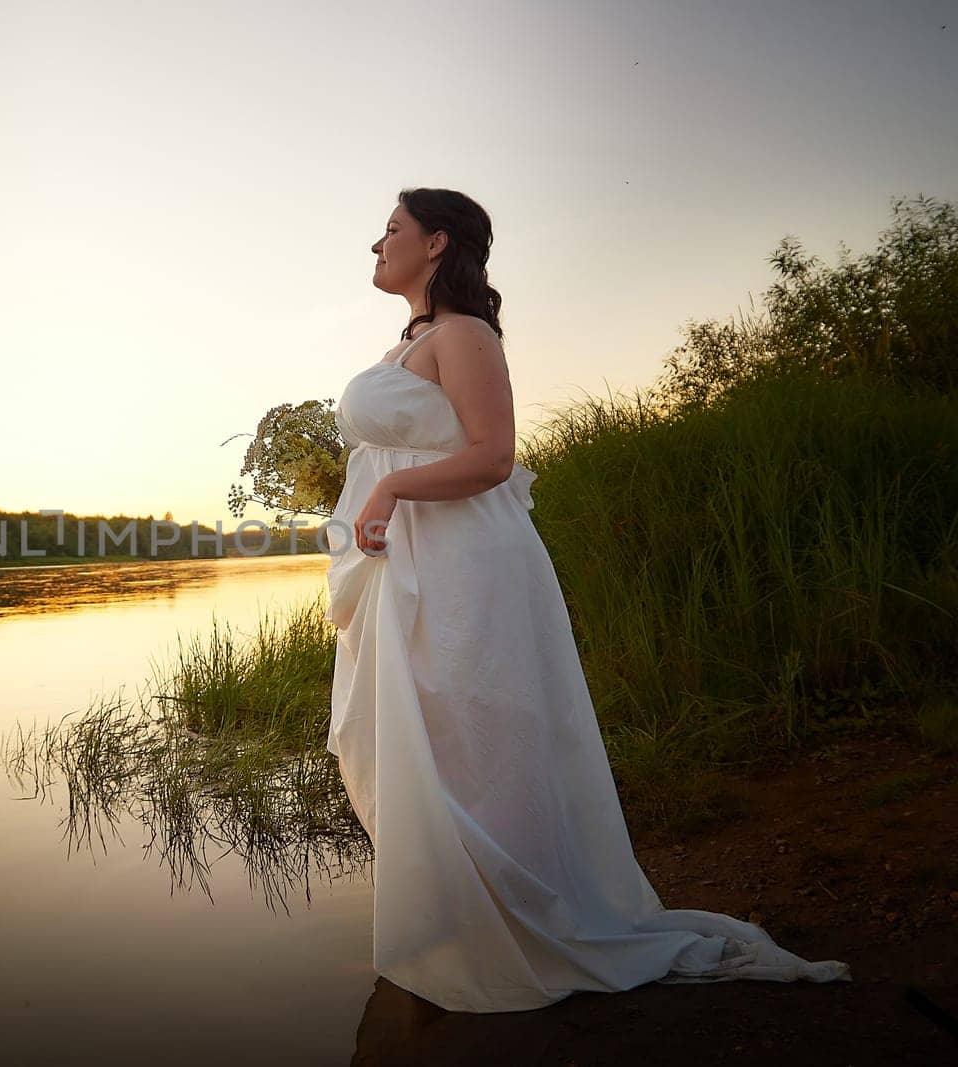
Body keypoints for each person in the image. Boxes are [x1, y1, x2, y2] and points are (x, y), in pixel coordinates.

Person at [323, 187, 851, 1013]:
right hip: (410, 561)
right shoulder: (412, 344)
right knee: (430, 736)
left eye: (391, 229)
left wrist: (390, 492)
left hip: (466, 564)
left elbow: (495, 457)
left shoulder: (465, 334)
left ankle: (531, 914)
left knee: (480, 728)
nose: (375, 243)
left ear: (437, 243)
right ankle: (468, 913)